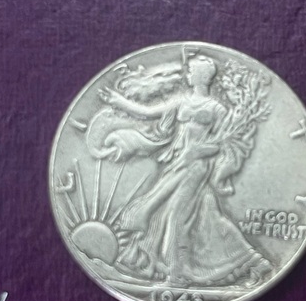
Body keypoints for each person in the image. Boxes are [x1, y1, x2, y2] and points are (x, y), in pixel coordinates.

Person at [97, 54, 271, 288]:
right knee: (205, 218)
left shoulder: (217, 109)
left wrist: (197, 151)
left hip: (197, 168)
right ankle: (255, 263)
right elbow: (148, 112)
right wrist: (119, 102)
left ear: (202, 77)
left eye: (191, 71)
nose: (188, 74)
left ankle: (176, 277)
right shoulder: (182, 102)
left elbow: (222, 145)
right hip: (177, 165)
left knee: (177, 217)